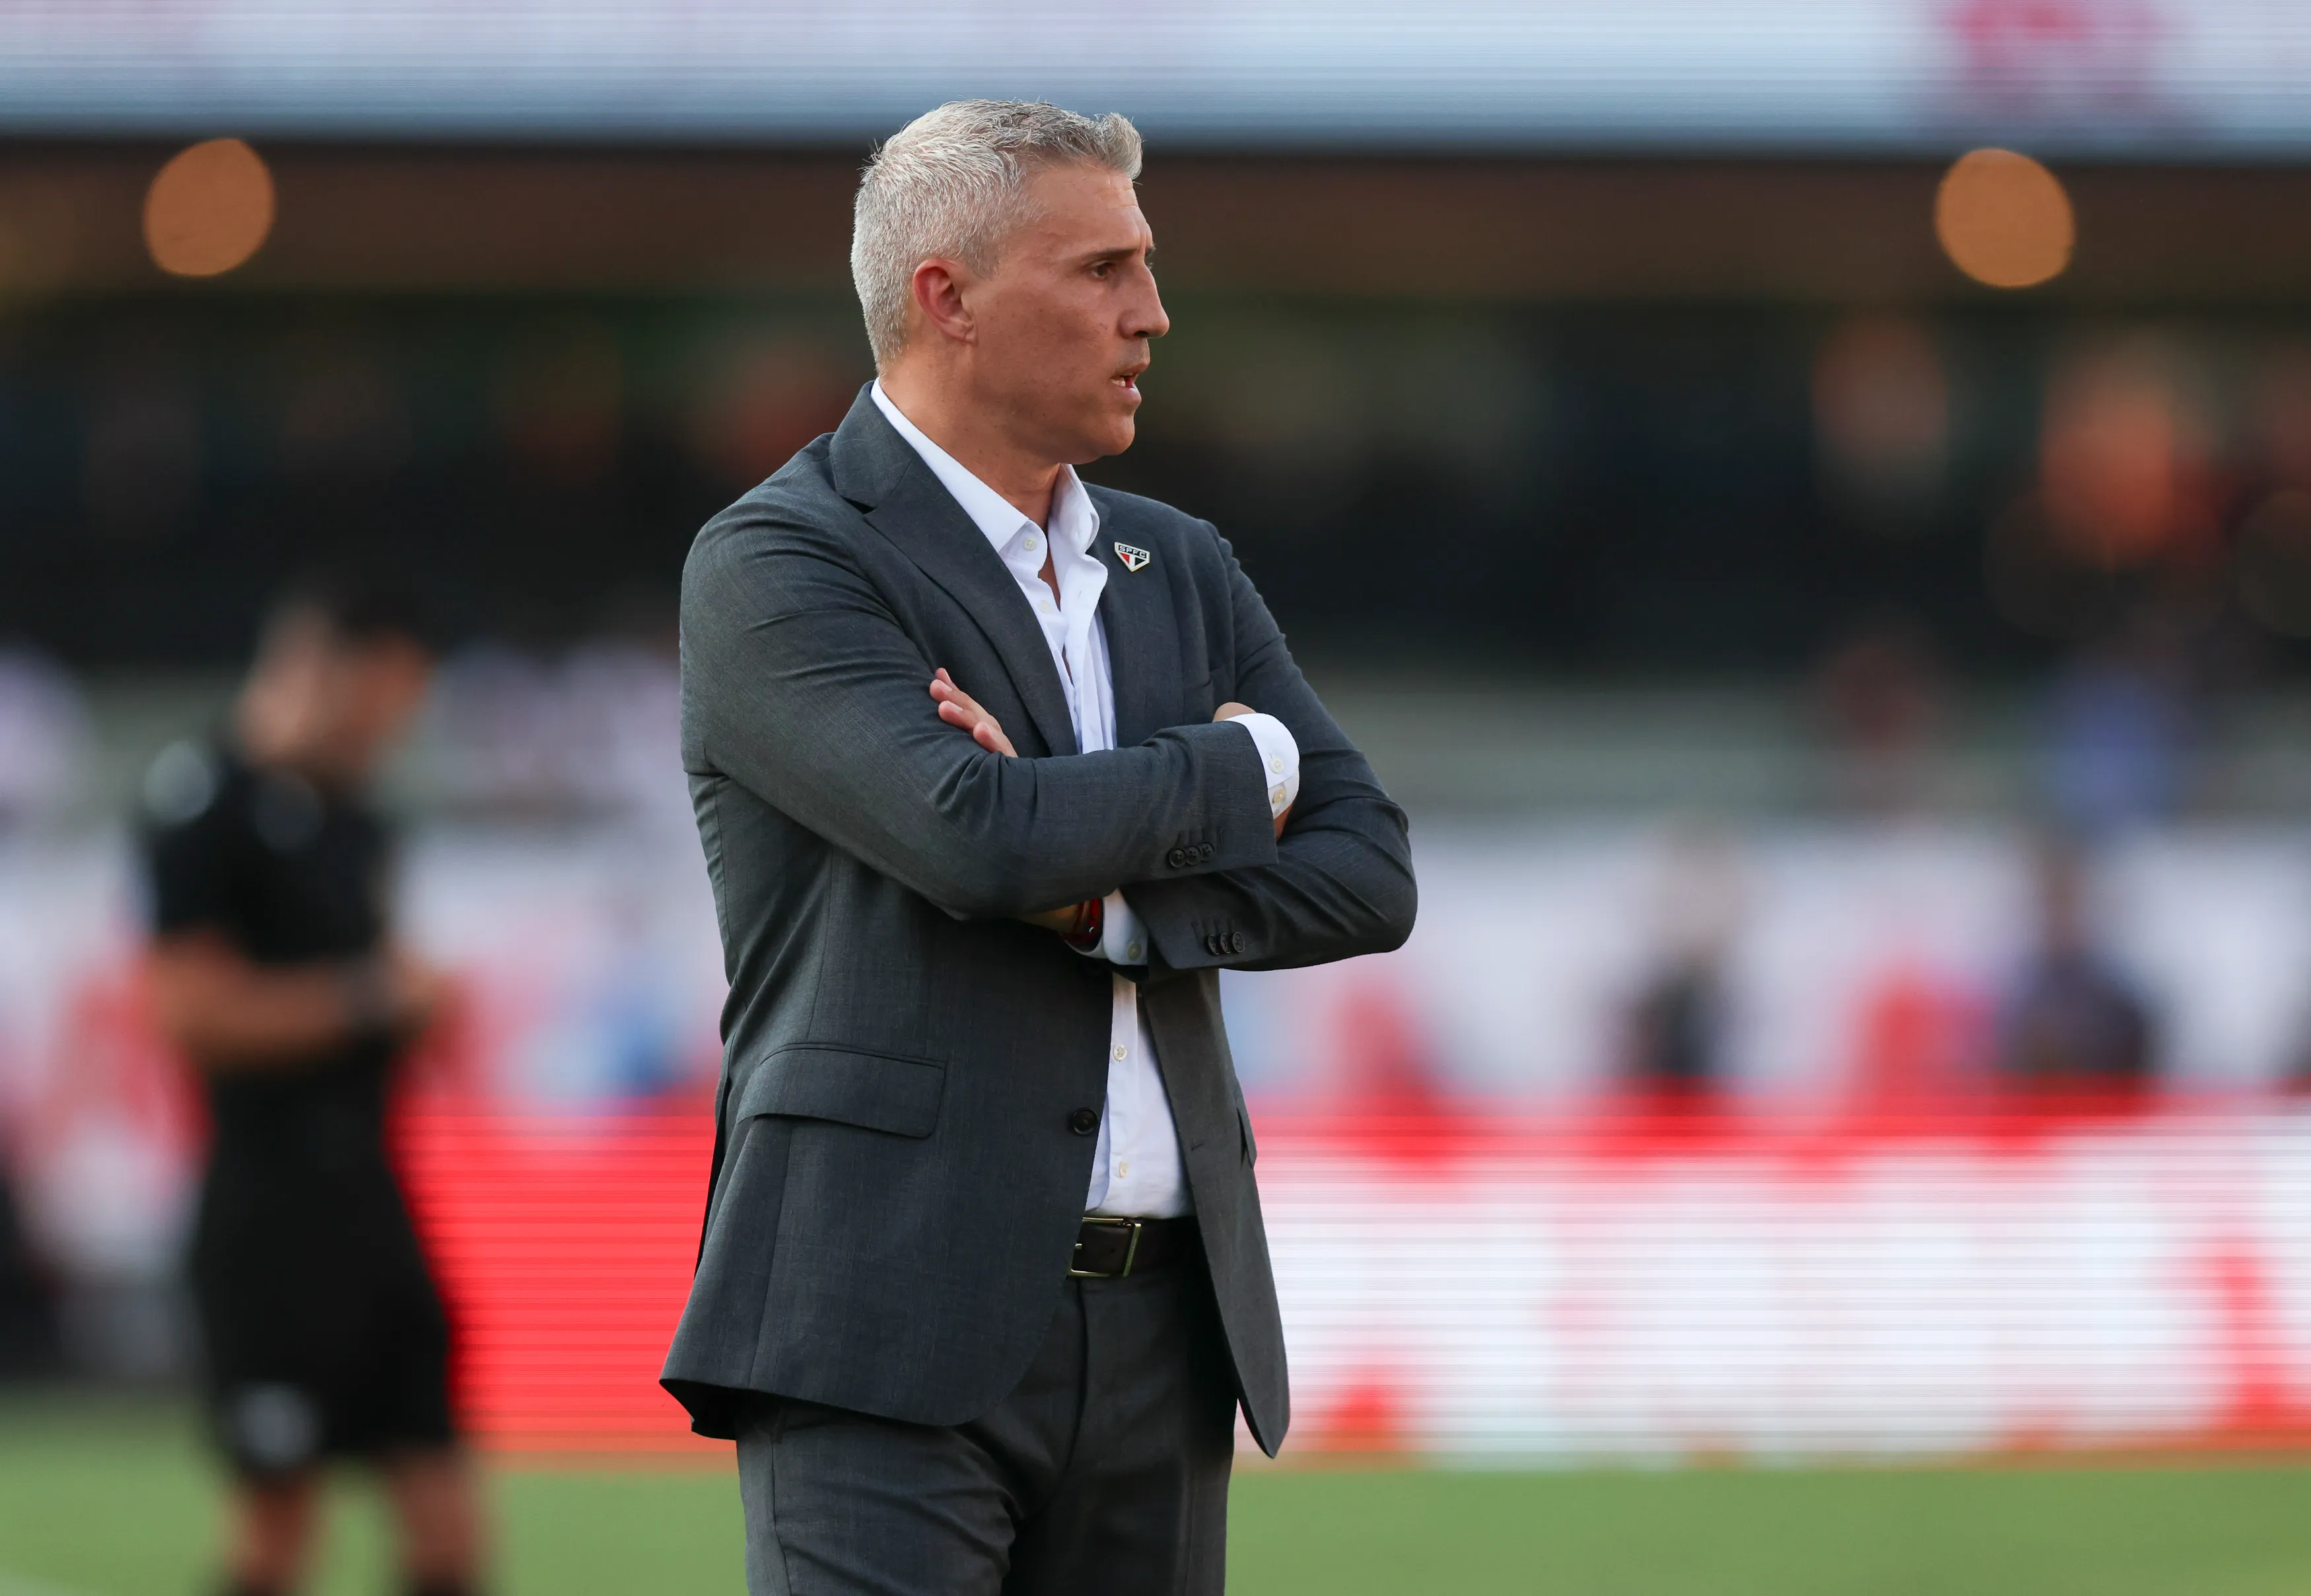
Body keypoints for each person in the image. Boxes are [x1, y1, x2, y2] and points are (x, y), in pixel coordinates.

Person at [664, 100, 1417, 1595]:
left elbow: (1365, 866)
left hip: (1164, 1323)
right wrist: (1235, 761)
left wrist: (1104, 906)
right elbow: (974, 835)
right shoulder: (780, 558)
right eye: (1101, 270)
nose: (1153, 312)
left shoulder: (1175, 560)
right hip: (881, 1311)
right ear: (945, 297)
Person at [140, 577, 483, 1596]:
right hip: (266, 1218)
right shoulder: (206, 808)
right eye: (392, 696)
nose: (397, 725)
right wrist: (376, 1001)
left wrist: (416, 1011)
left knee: (445, 1524)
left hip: (373, 1203)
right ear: (334, 672)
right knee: (277, 1530)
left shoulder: (356, 823)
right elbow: (193, 1017)